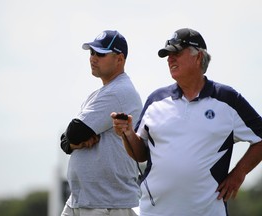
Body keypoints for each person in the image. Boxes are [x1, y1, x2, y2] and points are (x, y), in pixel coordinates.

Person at [111, 28, 262, 216]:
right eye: (168, 55)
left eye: (176, 53)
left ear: (198, 57)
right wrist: (127, 133)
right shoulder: (155, 100)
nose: (170, 59)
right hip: (153, 212)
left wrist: (240, 173)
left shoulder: (227, 99)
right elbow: (140, 154)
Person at [60, 30, 143, 216]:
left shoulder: (118, 91)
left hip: (107, 203)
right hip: (83, 200)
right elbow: (69, 138)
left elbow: (74, 132)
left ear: (119, 59)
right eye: (92, 53)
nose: (93, 58)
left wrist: (71, 141)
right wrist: (72, 143)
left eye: (101, 54)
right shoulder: (102, 92)